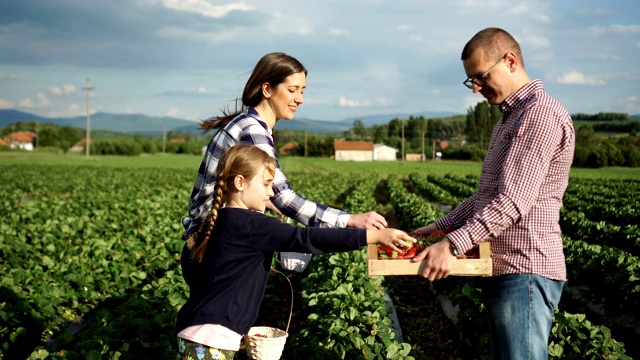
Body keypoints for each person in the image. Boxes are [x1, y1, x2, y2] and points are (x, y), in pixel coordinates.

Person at [411, 27, 575, 359]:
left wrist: (453, 245)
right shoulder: (510, 117)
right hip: (507, 268)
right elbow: (487, 196)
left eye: (481, 77)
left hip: (525, 268)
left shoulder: (538, 114)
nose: (476, 88)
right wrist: (441, 228)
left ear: (510, 61)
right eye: (471, 80)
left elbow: (513, 201)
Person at [176, 143, 415, 359]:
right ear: (240, 183)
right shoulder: (251, 224)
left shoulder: (222, 219)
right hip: (211, 338)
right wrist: (371, 236)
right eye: (266, 184)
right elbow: (306, 237)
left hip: (198, 329)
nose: (271, 194)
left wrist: (250, 268)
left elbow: (206, 267)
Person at [181, 52, 387, 246]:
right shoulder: (253, 131)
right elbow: (283, 197)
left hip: (212, 242)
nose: (300, 99)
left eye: (302, 91)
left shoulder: (251, 123)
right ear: (267, 89)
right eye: (292, 90)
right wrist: (350, 220)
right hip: (210, 247)